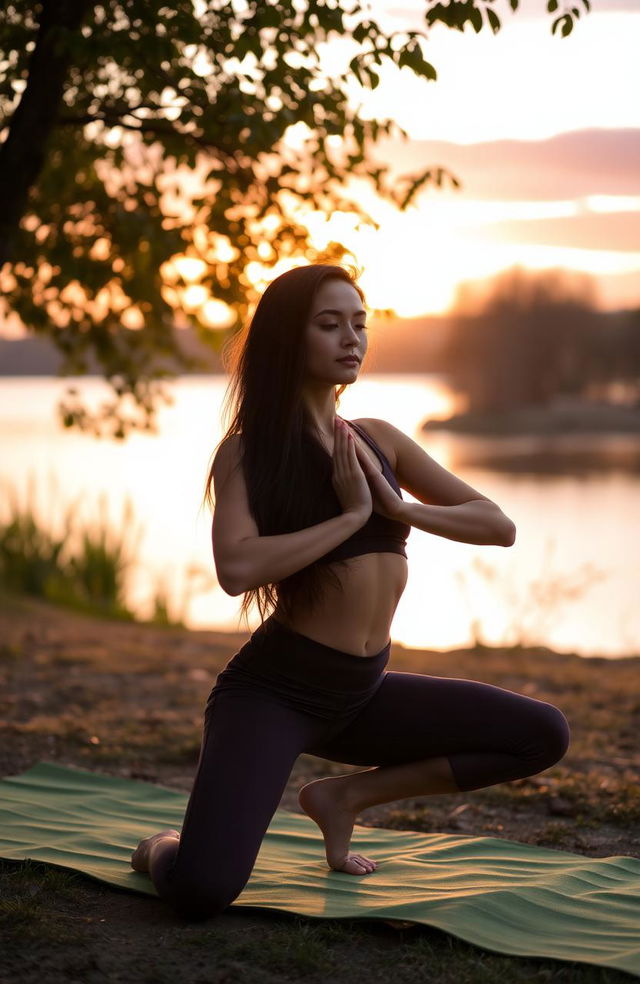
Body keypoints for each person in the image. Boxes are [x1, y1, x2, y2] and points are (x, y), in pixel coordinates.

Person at [131, 263, 569, 919]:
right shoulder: (248, 455)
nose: (352, 339)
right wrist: (348, 518)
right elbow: (236, 569)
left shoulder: (380, 441)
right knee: (201, 890)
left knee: (540, 735)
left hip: (362, 693)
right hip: (273, 694)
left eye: (360, 324)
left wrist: (399, 507)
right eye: (330, 324)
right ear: (288, 339)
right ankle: (158, 846)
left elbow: (497, 526)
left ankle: (344, 799)